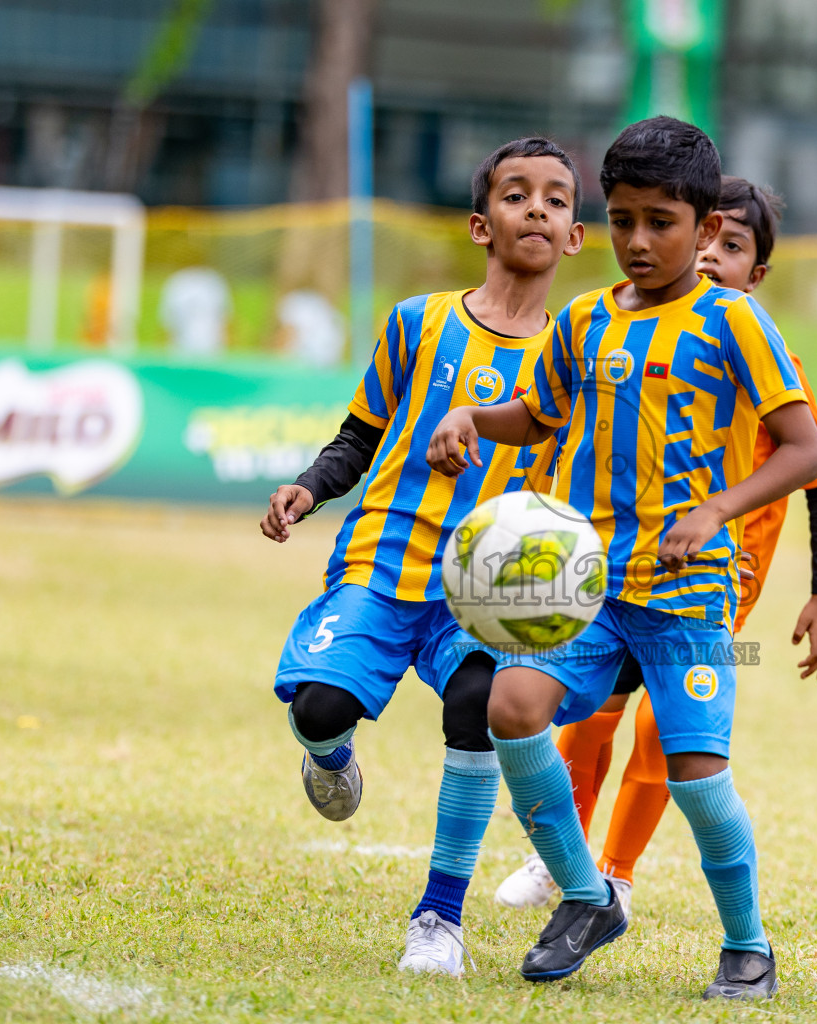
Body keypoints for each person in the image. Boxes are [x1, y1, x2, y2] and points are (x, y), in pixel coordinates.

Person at [426, 117, 817, 999]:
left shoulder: (735, 320)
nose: (639, 242)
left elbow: (804, 451)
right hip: (589, 585)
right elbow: (536, 414)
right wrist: (470, 415)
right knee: (511, 706)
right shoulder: (584, 319)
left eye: (661, 223)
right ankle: (586, 895)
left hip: (688, 591)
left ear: (705, 226)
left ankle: (747, 946)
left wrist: (716, 509)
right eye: (623, 221)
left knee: (696, 777)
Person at [258, 138, 584, 976]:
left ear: (576, 235)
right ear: (481, 224)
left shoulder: (576, 359)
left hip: (484, 585)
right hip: (381, 559)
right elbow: (358, 435)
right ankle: (328, 755)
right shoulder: (418, 321)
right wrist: (308, 488)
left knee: (476, 705)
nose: (537, 209)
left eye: (556, 199)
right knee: (319, 708)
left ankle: (439, 918)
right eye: (517, 195)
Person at [492, 176, 817, 914]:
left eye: (733, 246)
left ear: (757, 272)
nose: (713, 257)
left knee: (665, 732)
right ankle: (562, 861)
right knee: (587, 716)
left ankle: (618, 873)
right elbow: (564, 424)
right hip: (616, 569)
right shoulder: (609, 322)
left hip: (715, 580)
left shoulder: (760, 348)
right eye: (709, 241)